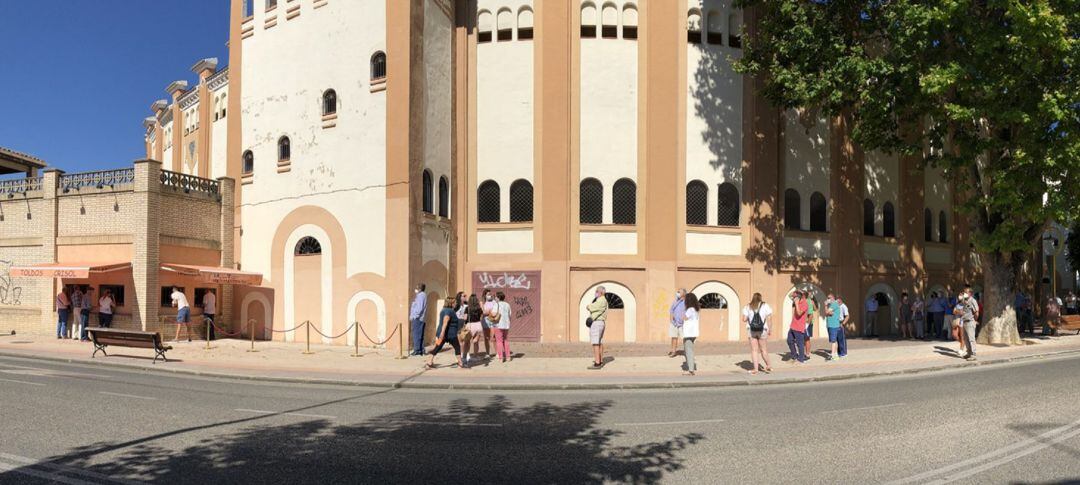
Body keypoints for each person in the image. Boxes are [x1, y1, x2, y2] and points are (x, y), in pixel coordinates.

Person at [426, 296, 464, 370]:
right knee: (457, 347)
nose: (456, 304)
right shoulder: (449, 311)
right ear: (451, 303)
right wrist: (443, 333)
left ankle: (429, 362)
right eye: (454, 302)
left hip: (443, 334)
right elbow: (445, 321)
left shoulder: (444, 309)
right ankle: (460, 363)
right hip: (450, 334)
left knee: (437, 346)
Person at [742, 293, 773, 374]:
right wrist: (770, 329)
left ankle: (755, 369)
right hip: (763, 330)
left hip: (751, 330)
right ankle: (768, 366)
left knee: (754, 350)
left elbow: (744, 319)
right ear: (760, 298)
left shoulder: (748, 306)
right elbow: (769, 318)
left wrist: (749, 316)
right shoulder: (765, 305)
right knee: (764, 349)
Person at [586, 286, 608, 369]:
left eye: (596, 291)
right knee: (599, 342)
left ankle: (597, 363)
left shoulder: (601, 300)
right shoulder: (602, 300)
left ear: (601, 292)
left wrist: (588, 306)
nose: (595, 292)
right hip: (600, 322)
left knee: (595, 343)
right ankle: (600, 360)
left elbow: (593, 307)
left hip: (597, 322)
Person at [463, 294, 487, 365]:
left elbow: (465, 318)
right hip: (478, 325)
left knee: (467, 342)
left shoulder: (467, 308)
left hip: (469, 325)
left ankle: (466, 356)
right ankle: (475, 356)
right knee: (476, 342)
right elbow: (481, 317)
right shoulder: (479, 308)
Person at [681, 292, 701, 376]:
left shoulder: (690, 310)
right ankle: (691, 368)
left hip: (689, 333)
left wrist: (683, 312)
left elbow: (684, 318)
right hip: (693, 333)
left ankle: (691, 370)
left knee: (688, 350)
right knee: (690, 349)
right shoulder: (696, 310)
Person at [490, 291, 512, 363]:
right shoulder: (507, 304)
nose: (495, 298)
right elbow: (510, 315)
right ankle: (508, 357)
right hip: (506, 324)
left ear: (498, 297)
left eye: (495, 297)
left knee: (499, 341)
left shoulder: (496, 304)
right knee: (505, 340)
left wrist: (490, 312)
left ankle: (501, 358)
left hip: (498, 324)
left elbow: (493, 314)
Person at [824, 293, 847, 360]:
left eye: (829, 298)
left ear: (833, 298)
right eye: (827, 298)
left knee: (833, 341)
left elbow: (826, 313)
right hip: (832, 325)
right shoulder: (831, 305)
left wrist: (825, 306)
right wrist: (828, 312)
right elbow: (828, 313)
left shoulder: (833, 304)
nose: (828, 299)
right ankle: (836, 354)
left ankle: (833, 355)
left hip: (833, 326)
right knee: (834, 340)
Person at [959, 287, 979, 360]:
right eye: (964, 292)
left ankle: (973, 354)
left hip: (970, 322)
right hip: (964, 322)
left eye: (966, 292)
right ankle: (969, 352)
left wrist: (974, 320)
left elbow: (976, 312)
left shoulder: (973, 301)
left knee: (971, 339)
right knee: (966, 339)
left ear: (970, 293)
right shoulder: (964, 301)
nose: (964, 294)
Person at [409, 283, 427, 356]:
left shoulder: (420, 296)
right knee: (420, 335)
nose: (415, 289)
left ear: (419, 289)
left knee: (416, 334)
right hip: (421, 318)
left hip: (418, 318)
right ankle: (421, 349)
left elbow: (419, 308)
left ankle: (417, 350)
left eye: (416, 288)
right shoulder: (423, 295)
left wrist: (415, 316)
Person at [668, 289, 686, 358]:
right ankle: (673, 351)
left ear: (684, 294)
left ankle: (687, 351)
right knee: (674, 337)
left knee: (685, 338)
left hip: (682, 324)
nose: (677, 293)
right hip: (674, 323)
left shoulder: (686, 302)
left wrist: (684, 320)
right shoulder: (675, 301)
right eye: (677, 292)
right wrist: (671, 320)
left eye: (679, 292)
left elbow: (688, 312)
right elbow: (671, 310)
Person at [481, 289, 497, 357]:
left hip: (493, 321)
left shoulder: (494, 302)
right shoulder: (482, 303)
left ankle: (497, 353)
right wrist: (490, 311)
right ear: (485, 295)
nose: (490, 296)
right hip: (485, 322)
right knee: (486, 338)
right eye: (488, 294)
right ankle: (487, 353)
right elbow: (483, 312)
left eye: (490, 294)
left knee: (493, 338)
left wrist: (488, 312)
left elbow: (495, 311)